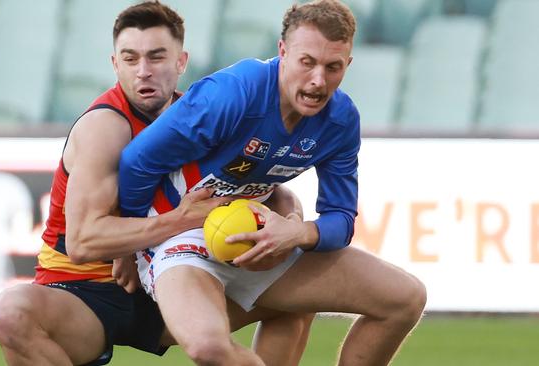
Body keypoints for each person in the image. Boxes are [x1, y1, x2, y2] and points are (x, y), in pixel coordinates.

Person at [0, 2, 313, 366]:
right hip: (84, 290)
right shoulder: (103, 128)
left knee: (300, 295)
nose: (143, 72)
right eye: (130, 59)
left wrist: (290, 224)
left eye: (156, 57)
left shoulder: (204, 115)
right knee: (9, 313)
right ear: (115, 64)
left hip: (171, 277)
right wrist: (177, 221)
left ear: (181, 62)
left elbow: (272, 189)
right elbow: (82, 243)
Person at [117, 0, 427, 365]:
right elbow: (136, 162)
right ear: (282, 52)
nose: (318, 80)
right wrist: (130, 243)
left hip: (260, 234)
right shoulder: (232, 93)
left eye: (333, 67)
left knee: (406, 298)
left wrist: (295, 233)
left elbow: (341, 218)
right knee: (207, 348)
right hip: (179, 239)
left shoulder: (341, 120)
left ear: (348, 64)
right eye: (307, 62)